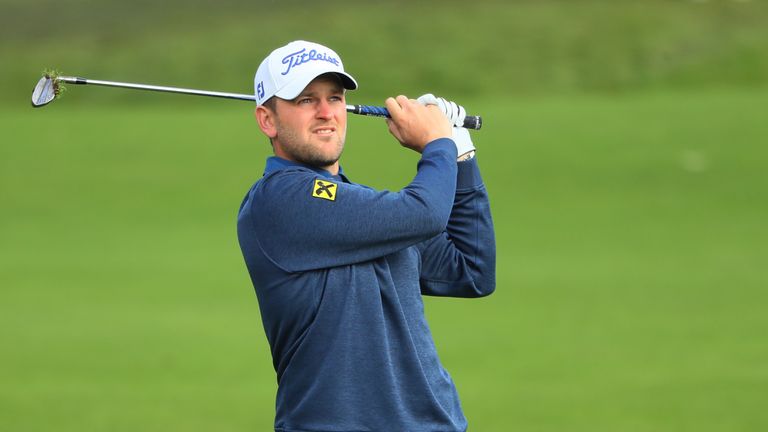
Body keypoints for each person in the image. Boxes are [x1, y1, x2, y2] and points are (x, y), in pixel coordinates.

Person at [237, 40, 496, 432]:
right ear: (267, 120)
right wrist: (438, 143)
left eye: (335, 98)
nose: (326, 113)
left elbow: (471, 270)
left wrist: (460, 153)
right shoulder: (278, 199)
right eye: (306, 100)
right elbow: (424, 212)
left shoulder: (365, 212)